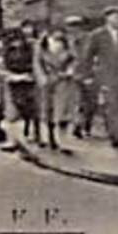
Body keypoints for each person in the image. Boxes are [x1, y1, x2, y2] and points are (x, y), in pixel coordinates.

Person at [84, 7, 118, 148]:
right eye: (115, 17)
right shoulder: (97, 35)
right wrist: (87, 75)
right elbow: (88, 56)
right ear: (107, 18)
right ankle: (116, 136)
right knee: (112, 107)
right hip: (107, 76)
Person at [35, 24, 79, 155]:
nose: (59, 36)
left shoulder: (68, 46)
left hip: (63, 82)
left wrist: (69, 71)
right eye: (56, 33)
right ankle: (46, 137)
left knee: (63, 111)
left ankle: (63, 141)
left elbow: (75, 60)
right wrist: (42, 78)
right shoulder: (41, 46)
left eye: (61, 33)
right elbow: (37, 63)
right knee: (46, 110)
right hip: (47, 82)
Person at [1, 25, 40, 145]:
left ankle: (34, 134)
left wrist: (31, 75)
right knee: (12, 111)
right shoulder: (7, 51)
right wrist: (9, 75)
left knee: (31, 109)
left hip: (29, 81)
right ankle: (12, 139)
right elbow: (2, 65)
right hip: (12, 81)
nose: (16, 42)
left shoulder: (31, 49)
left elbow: (36, 64)